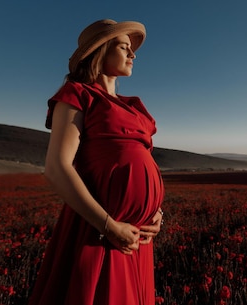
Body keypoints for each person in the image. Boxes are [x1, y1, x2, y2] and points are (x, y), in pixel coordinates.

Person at [28, 19, 165, 305]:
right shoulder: (78, 94)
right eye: (124, 47)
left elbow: (140, 164)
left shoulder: (134, 107)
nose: (133, 55)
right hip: (100, 230)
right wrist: (109, 227)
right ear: (100, 51)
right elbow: (57, 167)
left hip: (137, 235)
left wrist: (156, 212)